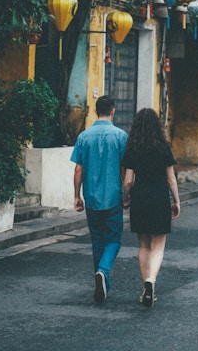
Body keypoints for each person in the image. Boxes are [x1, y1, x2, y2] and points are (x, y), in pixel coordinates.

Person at [71, 95, 128, 304]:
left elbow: (78, 169)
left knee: (97, 239)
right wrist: (127, 194)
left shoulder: (84, 137)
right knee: (113, 238)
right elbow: (124, 169)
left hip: (92, 197)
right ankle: (103, 271)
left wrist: (77, 195)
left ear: (96, 111)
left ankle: (101, 278)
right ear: (113, 111)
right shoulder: (121, 136)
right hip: (113, 196)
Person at [122, 108, 180, 308]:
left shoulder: (133, 148)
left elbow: (128, 180)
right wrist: (177, 201)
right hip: (159, 198)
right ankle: (151, 282)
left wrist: (126, 197)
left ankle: (145, 284)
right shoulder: (163, 148)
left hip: (140, 197)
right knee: (158, 246)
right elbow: (171, 177)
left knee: (143, 245)